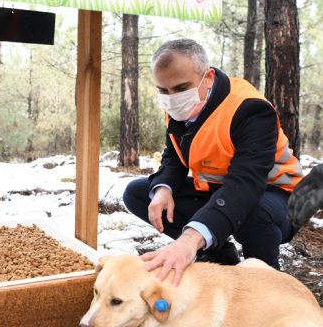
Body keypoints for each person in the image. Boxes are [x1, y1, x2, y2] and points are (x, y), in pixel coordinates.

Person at [122, 39, 304, 287]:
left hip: (279, 194)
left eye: (181, 87)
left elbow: (246, 183)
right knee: (139, 193)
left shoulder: (250, 109)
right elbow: (174, 157)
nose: (171, 98)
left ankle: (264, 279)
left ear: (207, 78)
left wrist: (190, 240)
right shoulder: (182, 107)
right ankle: (219, 255)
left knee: (254, 213)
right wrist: (163, 188)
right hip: (222, 190)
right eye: (163, 90)